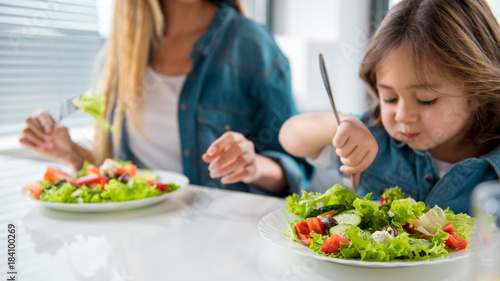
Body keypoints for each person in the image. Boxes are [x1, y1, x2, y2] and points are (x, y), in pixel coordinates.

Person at [18, 0, 312, 196]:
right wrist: (68, 152)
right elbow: (122, 177)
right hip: (142, 253)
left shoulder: (251, 45)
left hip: (224, 252)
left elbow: (296, 175)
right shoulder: (125, 49)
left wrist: (254, 165)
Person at [279, 0, 500, 214]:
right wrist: (341, 125)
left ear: (478, 92)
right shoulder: (372, 135)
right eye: (389, 98)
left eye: (425, 99)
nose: (403, 116)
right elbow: (291, 135)